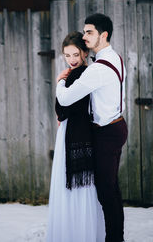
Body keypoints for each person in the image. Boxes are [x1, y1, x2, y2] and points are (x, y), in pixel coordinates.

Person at [56, 14, 128, 242]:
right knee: (112, 189)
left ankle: (113, 239)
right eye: (84, 31)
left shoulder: (97, 69)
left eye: (90, 32)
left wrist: (60, 80)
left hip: (107, 132)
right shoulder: (115, 57)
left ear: (103, 35)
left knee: (106, 192)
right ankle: (116, 237)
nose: (85, 36)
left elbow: (66, 99)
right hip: (115, 126)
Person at [46, 31, 105, 242]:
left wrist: (59, 83)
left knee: (73, 184)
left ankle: (75, 234)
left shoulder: (78, 75)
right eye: (67, 55)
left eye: (76, 55)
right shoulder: (83, 72)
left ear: (85, 53)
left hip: (73, 133)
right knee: (82, 186)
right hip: (79, 132)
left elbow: (62, 110)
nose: (72, 60)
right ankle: (80, 231)